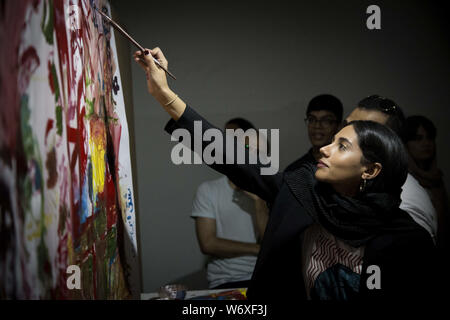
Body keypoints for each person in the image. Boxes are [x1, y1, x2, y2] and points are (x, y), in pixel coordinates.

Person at [133, 48, 437, 300]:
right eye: (332, 141)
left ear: (370, 169)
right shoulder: (301, 190)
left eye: (342, 145)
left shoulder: (407, 240)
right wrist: (164, 95)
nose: (326, 149)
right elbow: (232, 157)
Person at [345, 96, 438, 243]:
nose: (345, 136)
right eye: (347, 126)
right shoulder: (365, 183)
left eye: (362, 131)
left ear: (390, 144)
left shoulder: (405, 203)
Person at [192, 118, 269, 289]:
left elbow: (273, 244)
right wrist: (258, 249)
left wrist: (259, 201)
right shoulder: (208, 190)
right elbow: (208, 244)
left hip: (264, 277)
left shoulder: (269, 191)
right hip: (225, 281)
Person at [403, 115, 449, 249]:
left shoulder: (436, 179)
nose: (426, 143)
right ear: (405, 144)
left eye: (430, 138)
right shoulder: (403, 180)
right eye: (418, 139)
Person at [285, 94, 343, 171]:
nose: (317, 126)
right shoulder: (294, 171)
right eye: (312, 119)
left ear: (339, 126)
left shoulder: (346, 167)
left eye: (326, 120)